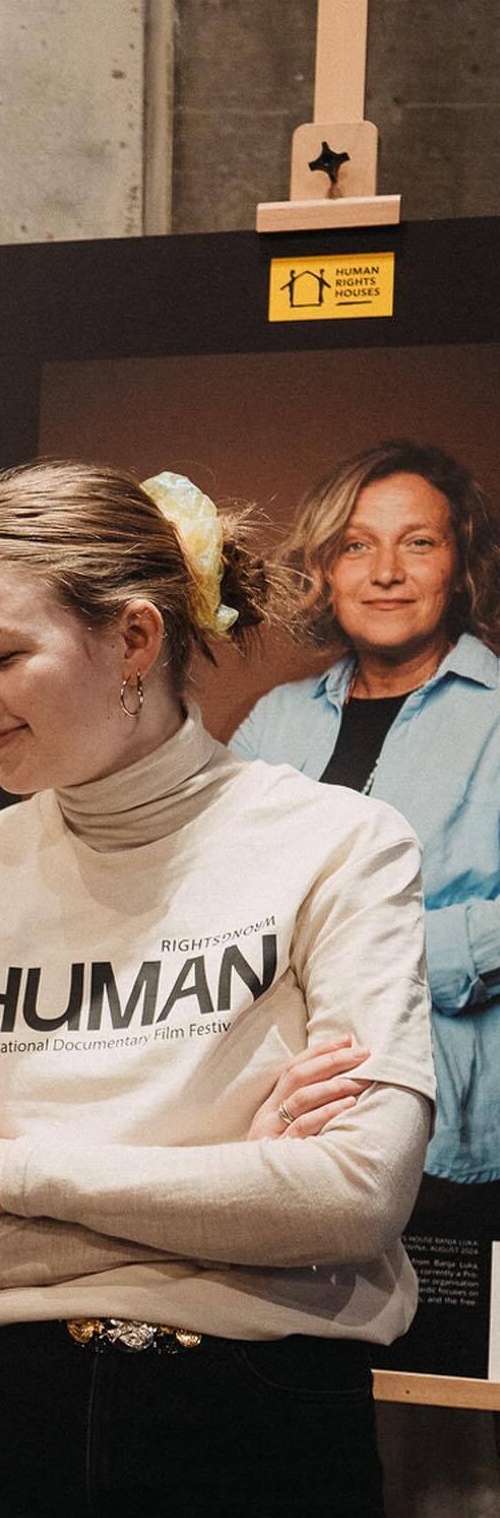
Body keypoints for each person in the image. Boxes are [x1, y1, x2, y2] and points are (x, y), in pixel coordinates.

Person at [0, 460, 433, 1518]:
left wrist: (10, 1168)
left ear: (132, 638)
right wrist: (229, 1167)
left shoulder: (339, 847)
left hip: (257, 1443)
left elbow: (349, 1198)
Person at [232, 439, 500, 1213]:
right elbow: (207, 897)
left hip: (453, 1137)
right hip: (283, 1124)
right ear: (326, 569)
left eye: (418, 542)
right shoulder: (272, 722)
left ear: (461, 564)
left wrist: (382, 953)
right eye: (357, 546)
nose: (386, 572)